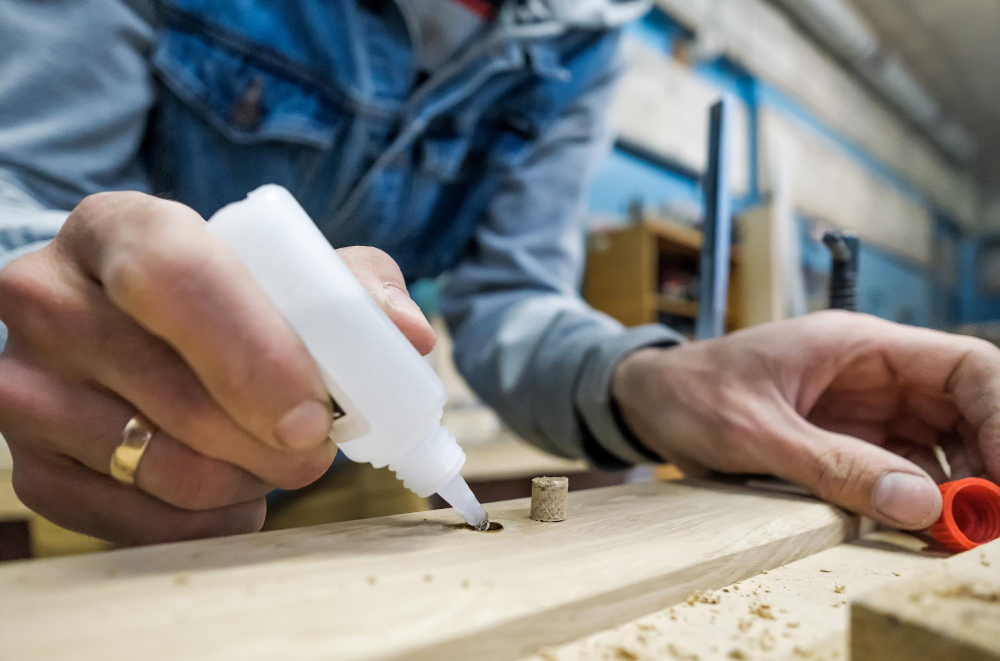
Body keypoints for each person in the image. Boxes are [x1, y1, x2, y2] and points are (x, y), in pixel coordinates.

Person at [0, 0, 997, 545]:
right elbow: (20, 188)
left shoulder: (586, 32)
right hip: (124, 472)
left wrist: (647, 380)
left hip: (355, 490)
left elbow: (513, 299)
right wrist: (68, 312)